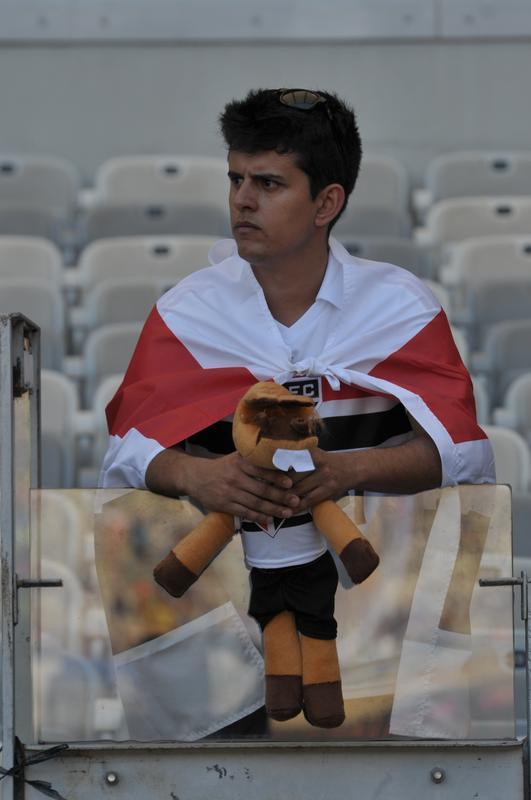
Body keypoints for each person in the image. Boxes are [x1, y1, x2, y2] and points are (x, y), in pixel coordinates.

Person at [100, 87, 495, 736]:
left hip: (383, 640)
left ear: (326, 202)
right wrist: (197, 476)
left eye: (268, 183)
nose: (242, 200)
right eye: (234, 178)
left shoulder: (400, 308)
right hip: (216, 646)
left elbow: (462, 455)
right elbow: (125, 453)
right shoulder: (188, 311)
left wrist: (346, 469)